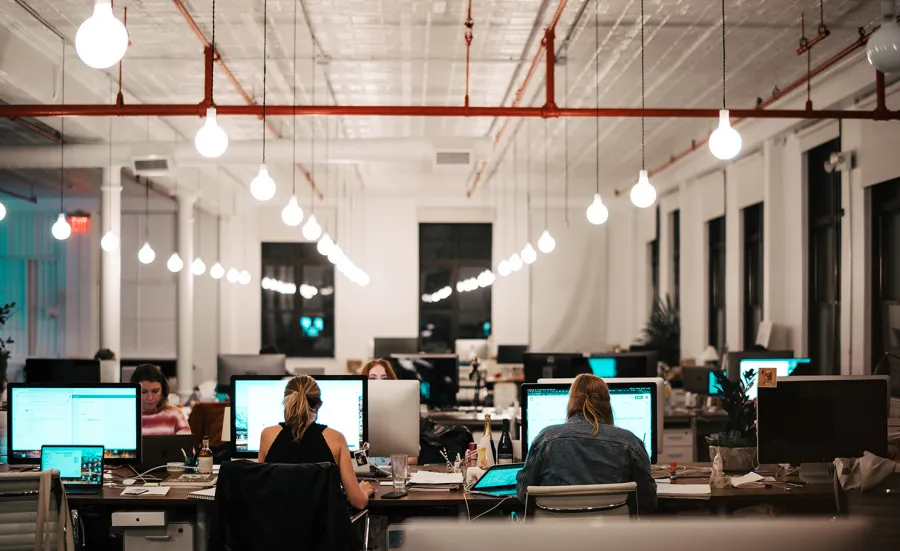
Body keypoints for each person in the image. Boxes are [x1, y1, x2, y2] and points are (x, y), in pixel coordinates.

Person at [515, 373, 656, 514]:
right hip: (612, 534)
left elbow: (523, 494)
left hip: (557, 534)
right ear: (607, 404)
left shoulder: (545, 439)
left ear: (572, 402)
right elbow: (647, 500)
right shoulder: (630, 443)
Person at [257, 375, 374, 510]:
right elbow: (358, 502)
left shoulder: (268, 435)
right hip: (323, 530)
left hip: (275, 528)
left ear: (286, 402)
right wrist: (363, 492)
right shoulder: (336, 439)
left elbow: (259, 491)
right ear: (319, 405)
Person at [130, 364, 191, 436]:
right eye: (143, 392)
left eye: (155, 391)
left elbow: (186, 446)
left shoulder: (175, 414)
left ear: (163, 391)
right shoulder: (124, 415)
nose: (150, 397)